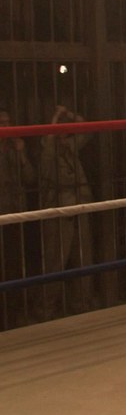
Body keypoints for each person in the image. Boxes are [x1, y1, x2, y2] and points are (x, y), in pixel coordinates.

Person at [39, 105, 95, 316]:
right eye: (58, 126)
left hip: (79, 206)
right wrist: (55, 117)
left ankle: (81, 303)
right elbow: (48, 140)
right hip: (59, 212)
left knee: (83, 259)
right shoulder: (47, 150)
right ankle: (47, 308)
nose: (63, 130)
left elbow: (87, 129)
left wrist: (69, 114)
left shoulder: (70, 146)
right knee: (56, 261)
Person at [0, 106, 36, 328]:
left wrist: (21, 153)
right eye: (2, 123)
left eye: (8, 122)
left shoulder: (16, 148)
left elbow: (30, 178)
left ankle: (13, 316)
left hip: (14, 213)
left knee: (14, 265)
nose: (6, 126)